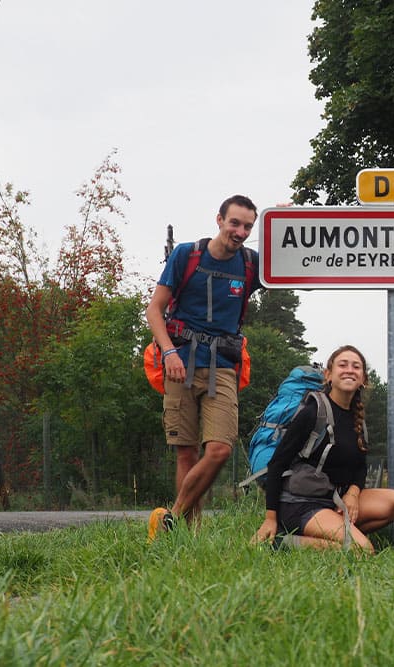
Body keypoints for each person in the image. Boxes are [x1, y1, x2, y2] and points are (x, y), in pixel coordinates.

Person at [146, 194, 262, 540]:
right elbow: (155, 310)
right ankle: (188, 537)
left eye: (248, 226)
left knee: (220, 449)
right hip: (179, 360)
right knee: (186, 452)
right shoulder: (187, 254)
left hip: (223, 365)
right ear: (219, 219)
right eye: (235, 223)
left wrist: (284, 222)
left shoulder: (251, 264)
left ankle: (173, 517)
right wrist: (168, 353)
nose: (240, 231)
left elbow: (293, 266)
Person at [252, 345, 394, 553]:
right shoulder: (313, 412)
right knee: (362, 550)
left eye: (356, 366)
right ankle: (283, 542)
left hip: (335, 500)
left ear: (363, 379)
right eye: (342, 365)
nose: (350, 370)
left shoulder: (357, 419)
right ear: (328, 375)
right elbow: (277, 463)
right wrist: (270, 518)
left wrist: (353, 493)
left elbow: (360, 468)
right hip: (301, 503)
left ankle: (335, 537)